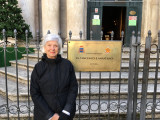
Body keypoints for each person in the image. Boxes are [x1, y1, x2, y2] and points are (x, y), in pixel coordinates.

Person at [30, 34, 78, 120]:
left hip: (65, 114)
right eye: (49, 45)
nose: (52, 48)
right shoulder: (39, 67)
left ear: (59, 48)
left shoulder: (67, 65)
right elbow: (35, 93)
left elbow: (73, 88)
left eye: (55, 45)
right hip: (44, 115)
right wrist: (50, 115)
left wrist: (66, 111)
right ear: (44, 47)